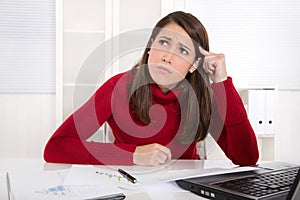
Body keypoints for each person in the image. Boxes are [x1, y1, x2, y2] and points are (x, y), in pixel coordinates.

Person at [44, 11, 259, 166]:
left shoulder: (201, 97)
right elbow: (56, 147)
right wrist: (133, 155)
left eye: (183, 50)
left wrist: (222, 81)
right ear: (150, 48)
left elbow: (246, 158)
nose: (167, 56)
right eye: (164, 43)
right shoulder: (118, 87)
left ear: (194, 64)